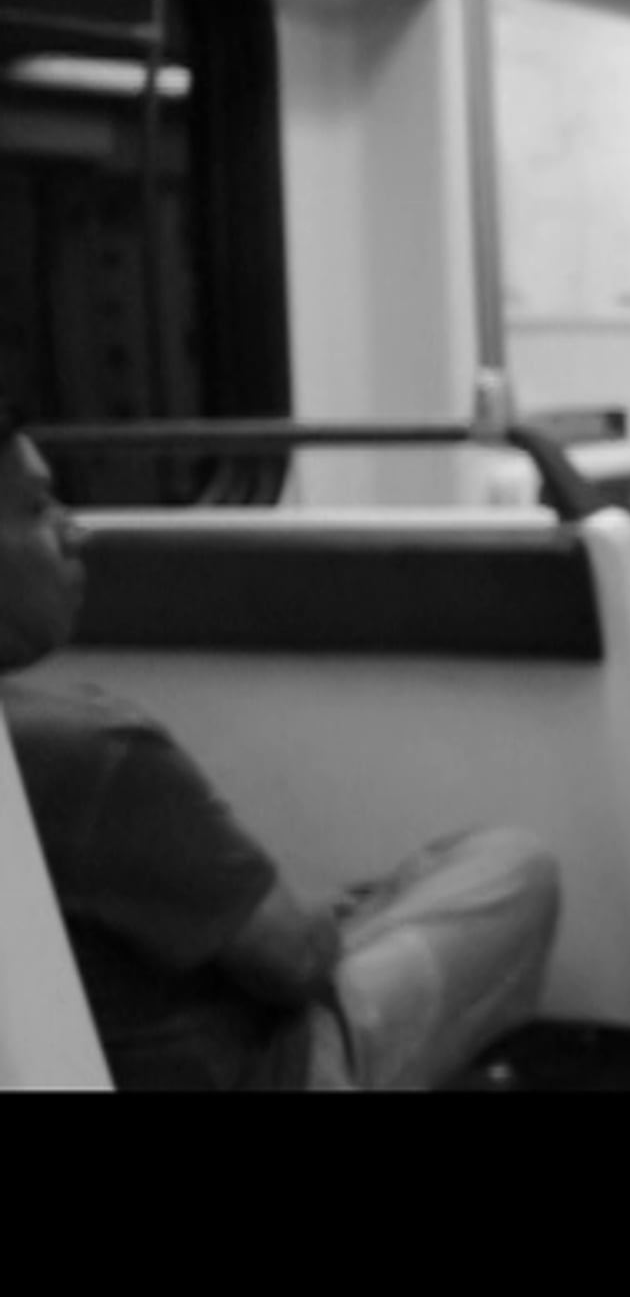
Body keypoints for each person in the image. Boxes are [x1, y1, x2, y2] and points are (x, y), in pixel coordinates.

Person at [0, 400, 565, 1090]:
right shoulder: (92, 753)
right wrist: (310, 923)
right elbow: (292, 962)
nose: (74, 531)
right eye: (37, 508)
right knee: (514, 867)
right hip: (268, 1067)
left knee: (392, 891)